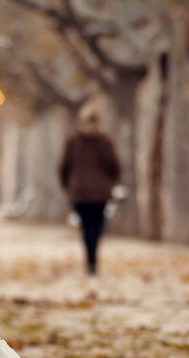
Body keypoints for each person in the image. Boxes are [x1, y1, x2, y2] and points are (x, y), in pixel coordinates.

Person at [58, 107, 121, 275]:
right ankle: (92, 258)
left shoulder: (75, 141)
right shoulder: (103, 142)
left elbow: (63, 168)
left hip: (87, 192)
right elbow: (115, 167)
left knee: (92, 227)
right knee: (92, 227)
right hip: (89, 192)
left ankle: (91, 258)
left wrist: (68, 186)